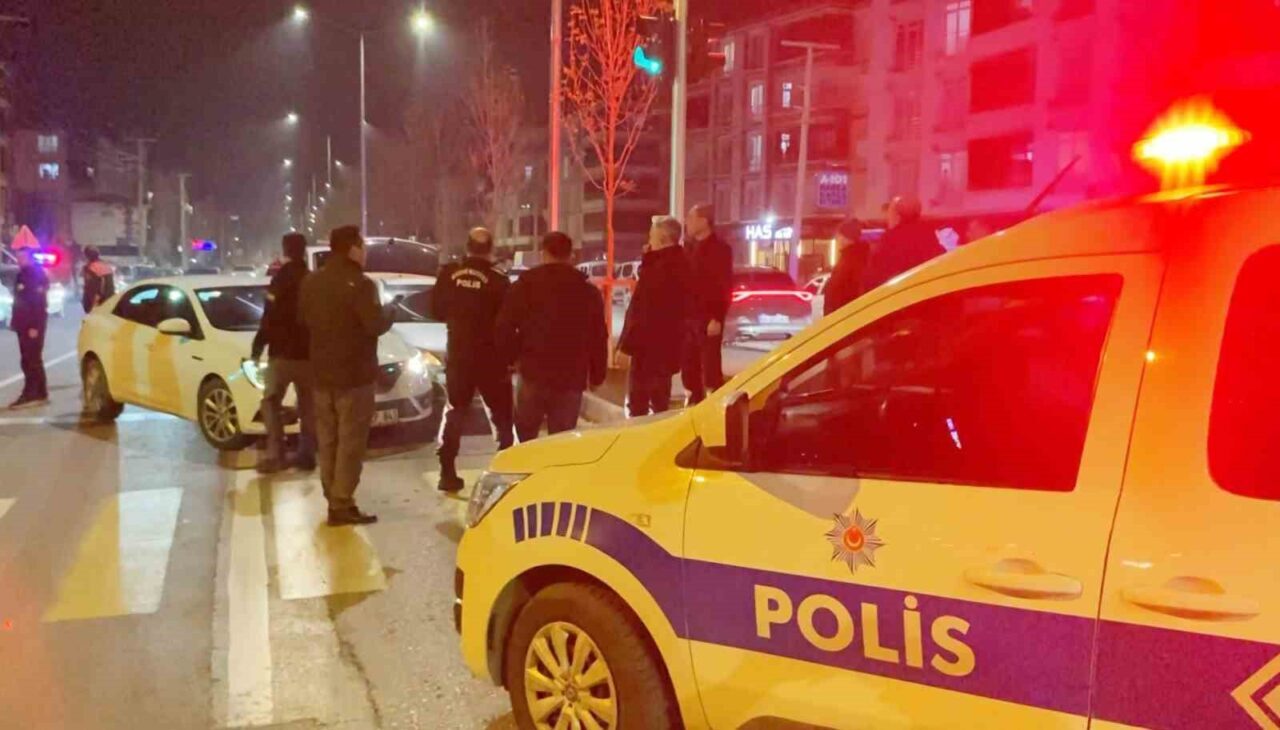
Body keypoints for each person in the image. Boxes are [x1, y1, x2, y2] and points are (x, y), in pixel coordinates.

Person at [299, 226, 392, 526]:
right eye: (362, 246)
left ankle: (334, 498)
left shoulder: (312, 281)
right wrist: (390, 311)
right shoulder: (362, 285)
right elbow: (374, 325)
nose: (365, 252)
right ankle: (341, 502)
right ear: (352, 249)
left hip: (321, 374)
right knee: (350, 442)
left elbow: (302, 320)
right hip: (354, 376)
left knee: (328, 441)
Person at [497, 231, 608, 442]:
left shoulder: (525, 286)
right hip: (571, 375)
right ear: (570, 256)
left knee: (527, 438)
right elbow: (598, 335)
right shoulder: (587, 291)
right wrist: (597, 374)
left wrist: (512, 358)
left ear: (543, 254)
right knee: (562, 441)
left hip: (533, 371)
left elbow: (504, 327)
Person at [432, 227, 515, 493]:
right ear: (491, 249)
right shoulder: (498, 280)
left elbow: (436, 310)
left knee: (455, 411)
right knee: (501, 415)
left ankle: (446, 471)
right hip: (492, 358)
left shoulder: (448, 275)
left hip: (459, 356)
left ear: (467, 247)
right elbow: (508, 322)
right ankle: (505, 471)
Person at [251, 233, 316, 474]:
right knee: (309, 406)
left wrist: (257, 348)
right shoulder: (312, 280)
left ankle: (276, 454)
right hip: (308, 354)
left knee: (270, 402)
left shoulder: (279, 280)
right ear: (304, 250)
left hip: (281, 354)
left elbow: (269, 317)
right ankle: (307, 454)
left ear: (285, 250)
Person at [619, 217, 693, 417]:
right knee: (660, 400)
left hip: (648, 347)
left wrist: (626, 346)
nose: (648, 240)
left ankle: (642, 434)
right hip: (669, 345)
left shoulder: (659, 268)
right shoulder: (681, 263)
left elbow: (643, 309)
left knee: (639, 402)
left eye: (652, 235)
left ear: (663, 238)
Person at [681, 203, 733, 405]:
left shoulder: (720, 250)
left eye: (691, 218)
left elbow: (724, 285)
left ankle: (715, 404)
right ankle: (694, 399)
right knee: (688, 364)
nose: (687, 222)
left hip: (708, 317)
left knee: (710, 364)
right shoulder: (689, 248)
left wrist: (716, 317)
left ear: (704, 221)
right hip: (688, 317)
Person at [863, 196, 946, 292]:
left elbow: (873, 279)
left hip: (897, 294)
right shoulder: (929, 236)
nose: (887, 218)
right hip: (925, 293)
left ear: (897, 216)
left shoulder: (889, 241)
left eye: (889, 213)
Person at [8, 248, 50, 410]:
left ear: (30, 258)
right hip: (23, 324)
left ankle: (32, 393)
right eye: (18, 257)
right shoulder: (23, 273)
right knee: (30, 359)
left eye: (22, 257)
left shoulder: (34, 274)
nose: (19, 260)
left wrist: (34, 325)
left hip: (31, 325)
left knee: (31, 360)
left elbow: (38, 302)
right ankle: (40, 392)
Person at [823, 217, 870, 317]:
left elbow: (842, 290)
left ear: (847, 237)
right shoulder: (853, 258)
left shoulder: (850, 261)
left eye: (839, 235)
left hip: (845, 317)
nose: (837, 239)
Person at [80, 246, 116, 313]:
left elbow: (92, 288)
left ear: (87, 256)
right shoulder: (106, 266)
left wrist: (92, 304)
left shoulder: (90, 268)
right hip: (110, 302)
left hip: (97, 304)